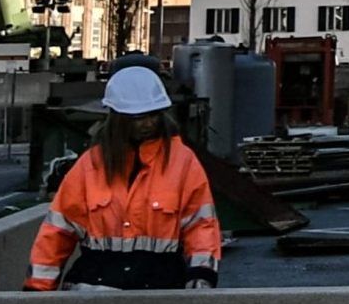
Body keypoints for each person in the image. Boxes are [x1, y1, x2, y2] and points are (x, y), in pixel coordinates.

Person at [25, 63, 222, 292]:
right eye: (138, 117)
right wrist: (36, 291)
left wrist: (201, 278)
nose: (148, 123)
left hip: (161, 292)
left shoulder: (182, 162)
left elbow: (200, 226)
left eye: (153, 115)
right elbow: (57, 232)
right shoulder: (91, 165)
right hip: (94, 292)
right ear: (118, 118)